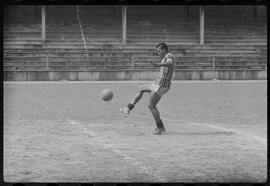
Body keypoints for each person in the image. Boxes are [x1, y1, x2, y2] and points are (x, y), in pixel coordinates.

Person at [120, 42, 174, 135]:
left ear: (164, 50)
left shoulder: (169, 55)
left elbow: (169, 63)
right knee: (141, 88)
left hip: (161, 84)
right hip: (159, 83)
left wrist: (157, 65)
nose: (158, 53)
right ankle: (128, 107)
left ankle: (160, 127)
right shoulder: (164, 58)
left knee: (151, 105)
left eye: (159, 51)